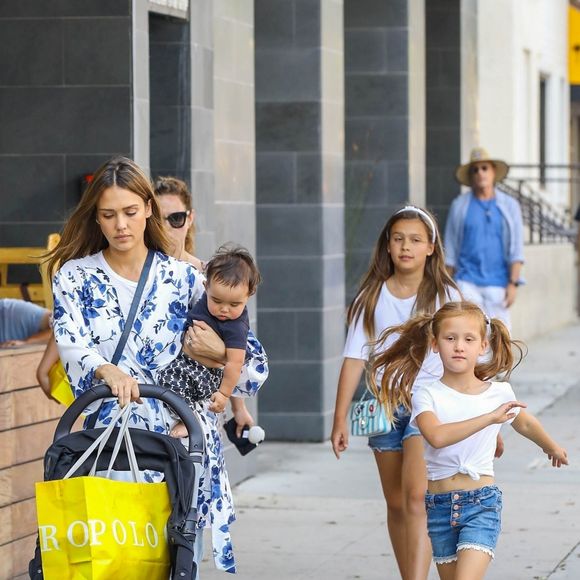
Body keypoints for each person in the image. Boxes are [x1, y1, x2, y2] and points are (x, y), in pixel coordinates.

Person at [47, 156, 268, 576]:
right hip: (109, 446)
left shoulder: (186, 280)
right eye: (108, 215)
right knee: (109, 565)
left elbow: (255, 371)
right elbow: (70, 342)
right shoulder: (73, 277)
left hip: (179, 446)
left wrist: (221, 355)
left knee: (176, 566)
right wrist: (105, 370)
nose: (121, 226)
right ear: (96, 218)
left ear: (149, 209)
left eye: (130, 212)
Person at [370, 301, 568, 579]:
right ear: (435, 344)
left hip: (481, 504)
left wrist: (551, 447)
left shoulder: (498, 393)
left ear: (483, 346)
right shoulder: (427, 395)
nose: (459, 346)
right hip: (439, 508)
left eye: (468, 339)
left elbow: (524, 422)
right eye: (450, 338)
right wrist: (489, 419)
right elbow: (437, 437)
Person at [331, 206, 461, 580]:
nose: (406, 246)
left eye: (416, 240)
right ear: (387, 245)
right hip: (382, 405)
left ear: (431, 248)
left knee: (417, 499)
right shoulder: (371, 296)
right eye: (398, 238)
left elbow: (467, 355)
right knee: (396, 503)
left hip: (429, 406)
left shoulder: (445, 295)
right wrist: (339, 418)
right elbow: (354, 358)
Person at [153, 175, 257, 437]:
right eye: (158, 218)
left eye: (175, 218)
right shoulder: (145, 276)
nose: (167, 227)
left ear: (189, 218)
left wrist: (238, 407)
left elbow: (239, 347)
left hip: (202, 407)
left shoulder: (211, 279)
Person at [158, 245, 261, 438]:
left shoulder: (236, 326)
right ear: (206, 287)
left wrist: (223, 394)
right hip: (184, 361)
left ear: (249, 295)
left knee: (175, 385)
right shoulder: (203, 298)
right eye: (217, 300)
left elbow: (235, 363)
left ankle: (188, 420)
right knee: (167, 383)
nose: (224, 309)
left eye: (234, 304)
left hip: (207, 373)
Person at [444, 147, 524, 327]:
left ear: (493, 172)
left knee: (500, 342)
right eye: (475, 169)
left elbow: (516, 249)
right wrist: (447, 287)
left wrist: (513, 283)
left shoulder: (509, 206)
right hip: (466, 282)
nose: (480, 173)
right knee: (469, 338)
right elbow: (450, 250)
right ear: (471, 176)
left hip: (499, 284)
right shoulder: (459, 206)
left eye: (484, 168)